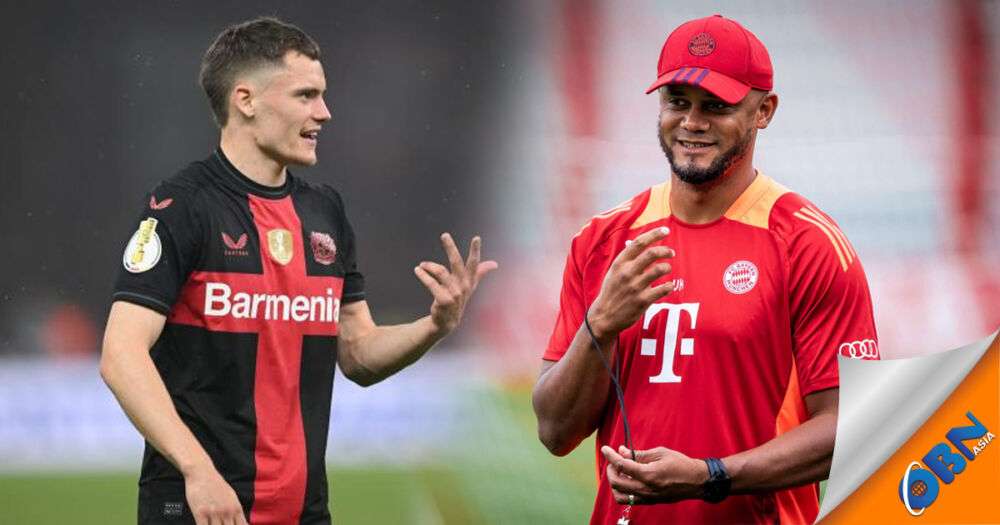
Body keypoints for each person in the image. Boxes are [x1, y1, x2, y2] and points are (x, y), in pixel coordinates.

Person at [100, 17, 496, 525]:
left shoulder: (324, 212)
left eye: (322, 95)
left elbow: (358, 353)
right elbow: (121, 355)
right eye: (306, 95)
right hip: (199, 506)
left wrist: (434, 326)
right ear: (246, 100)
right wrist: (198, 471)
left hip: (303, 510)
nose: (324, 113)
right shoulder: (182, 207)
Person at [531, 14, 878, 525]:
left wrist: (710, 476)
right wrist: (598, 325)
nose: (692, 122)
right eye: (678, 102)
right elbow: (555, 432)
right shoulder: (603, 240)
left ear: (764, 111)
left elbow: (853, 427)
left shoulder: (807, 244)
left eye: (716, 106)